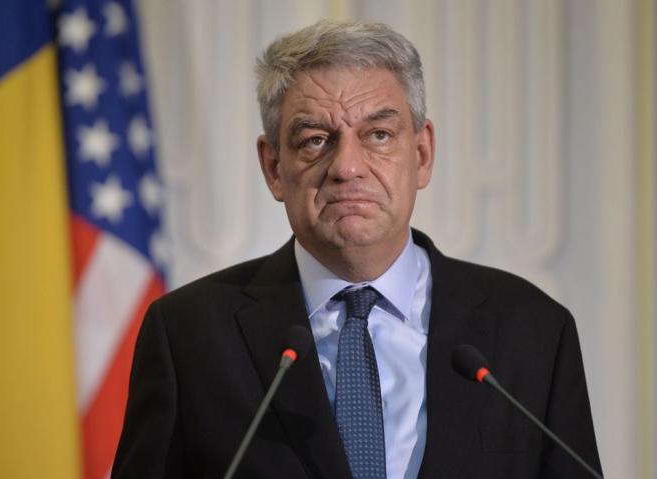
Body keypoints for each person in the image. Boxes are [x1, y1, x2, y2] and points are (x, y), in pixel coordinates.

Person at [112, 20, 602, 479]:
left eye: (378, 135)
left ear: (422, 154)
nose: (347, 167)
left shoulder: (531, 329)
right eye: (315, 140)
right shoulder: (188, 335)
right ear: (274, 167)